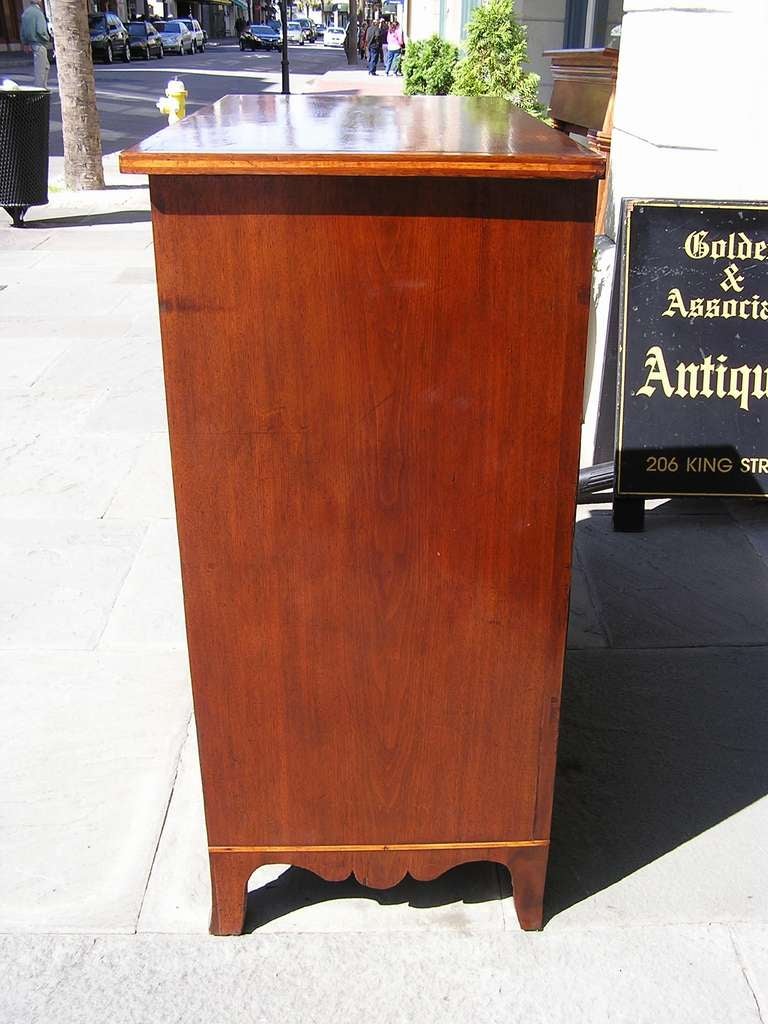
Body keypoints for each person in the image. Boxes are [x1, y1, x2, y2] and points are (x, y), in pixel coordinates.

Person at [20, 0, 51, 90]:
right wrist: (47, 38)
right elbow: (41, 30)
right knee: (41, 68)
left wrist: (25, 43)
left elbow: (22, 30)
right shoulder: (38, 13)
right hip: (39, 42)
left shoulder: (26, 13)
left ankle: (42, 87)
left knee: (45, 66)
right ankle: (40, 88)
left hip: (32, 43)